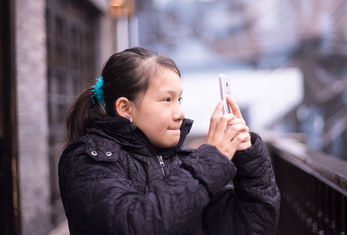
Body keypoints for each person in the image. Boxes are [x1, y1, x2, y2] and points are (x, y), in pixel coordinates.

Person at [58, 47, 280, 235]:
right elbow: (132, 224)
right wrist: (211, 159)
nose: (180, 113)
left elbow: (252, 227)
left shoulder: (182, 163)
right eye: (167, 99)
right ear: (125, 108)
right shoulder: (86, 158)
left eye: (179, 99)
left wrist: (248, 157)